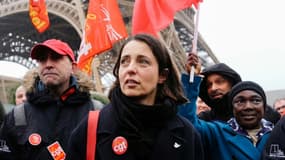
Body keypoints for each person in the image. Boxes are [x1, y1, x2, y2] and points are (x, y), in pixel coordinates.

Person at [67, 34, 204, 160]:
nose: (130, 69)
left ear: (162, 75)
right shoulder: (91, 128)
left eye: (143, 61)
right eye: (124, 61)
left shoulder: (187, 134)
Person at [0, 39, 102, 159]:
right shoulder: (18, 116)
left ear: (73, 68)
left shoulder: (96, 112)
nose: (48, 64)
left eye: (56, 57)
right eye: (42, 59)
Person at [180, 79, 273, 159]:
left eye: (256, 100)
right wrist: (191, 81)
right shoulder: (216, 133)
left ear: (264, 107)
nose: (248, 107)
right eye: (240, 101)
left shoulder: (278, 134)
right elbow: (187, 122)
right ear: (232, 108)